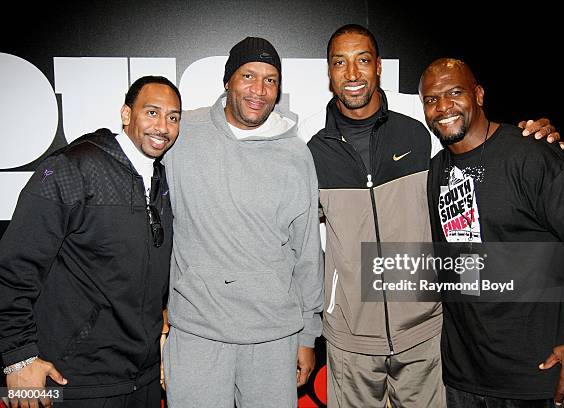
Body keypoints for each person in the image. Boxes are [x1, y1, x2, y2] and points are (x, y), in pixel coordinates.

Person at [304, 24, 563, 407]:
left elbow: (480, 138)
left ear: (379, 67)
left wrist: (535, 136)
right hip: (350, 338)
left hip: (426, 331)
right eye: (340, 63)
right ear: (329, 74)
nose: (353, 73)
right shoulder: (310, 143)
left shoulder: (421, 122)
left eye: (362, 60)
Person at [421, 58, 564, 407]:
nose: (443, 106)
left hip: (540, 379)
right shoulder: (437, 169)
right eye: (431, 99)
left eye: (454, 92)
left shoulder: (531, 154)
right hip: (465, 380)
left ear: (478, 95)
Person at [161, 37, 324, 408]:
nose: (259, 90)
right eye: (248, 75)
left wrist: (307, 335)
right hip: (197, 331)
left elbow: (308, 253)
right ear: (227, 81)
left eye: (270, 80)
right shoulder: (183, 133)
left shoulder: (296, 154)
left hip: (273, 336)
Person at [0, 75, 181, 407]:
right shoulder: (70, 168)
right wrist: (17, 357)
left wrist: (163, 334)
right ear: (126, 114)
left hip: (141, 380)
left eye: (173, 117)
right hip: (71, 381)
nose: (163, 126)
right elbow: (13, 266)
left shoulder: (165, 180)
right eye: (152, 112)